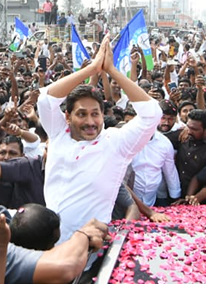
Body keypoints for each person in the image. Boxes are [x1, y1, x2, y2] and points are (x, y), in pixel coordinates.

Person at [36, 37, 159, 241]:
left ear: (103, 115)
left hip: (89, 249)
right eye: (82, 114)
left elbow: (152, 114)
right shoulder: (58, 134)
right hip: (49, 244)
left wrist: (112, 71)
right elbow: (46, 100)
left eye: (95, 114)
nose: (90, 121)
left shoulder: (116, 143)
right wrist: (92, 69)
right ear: (67, 116)